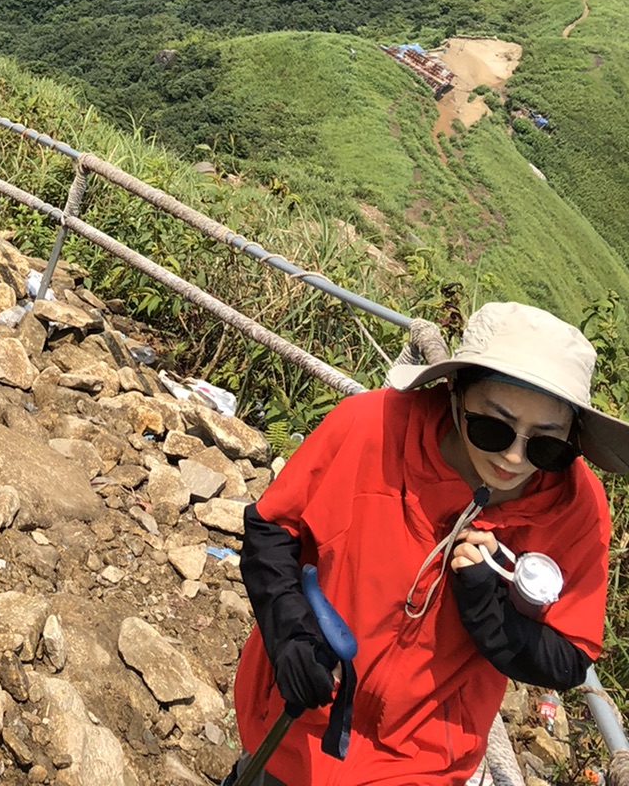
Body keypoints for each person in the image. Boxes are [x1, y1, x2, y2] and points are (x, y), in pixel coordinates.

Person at [231, 301, 629, 785]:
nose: (513, 457)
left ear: (572, 436)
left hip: (421, 760)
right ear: (456, 394)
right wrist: (289, 634)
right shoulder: (371, 427)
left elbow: (570, 657)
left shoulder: (575, 507)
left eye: (546, 444)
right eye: (493, 427)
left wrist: (489, 612)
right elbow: (272, 528)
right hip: (299, 717)